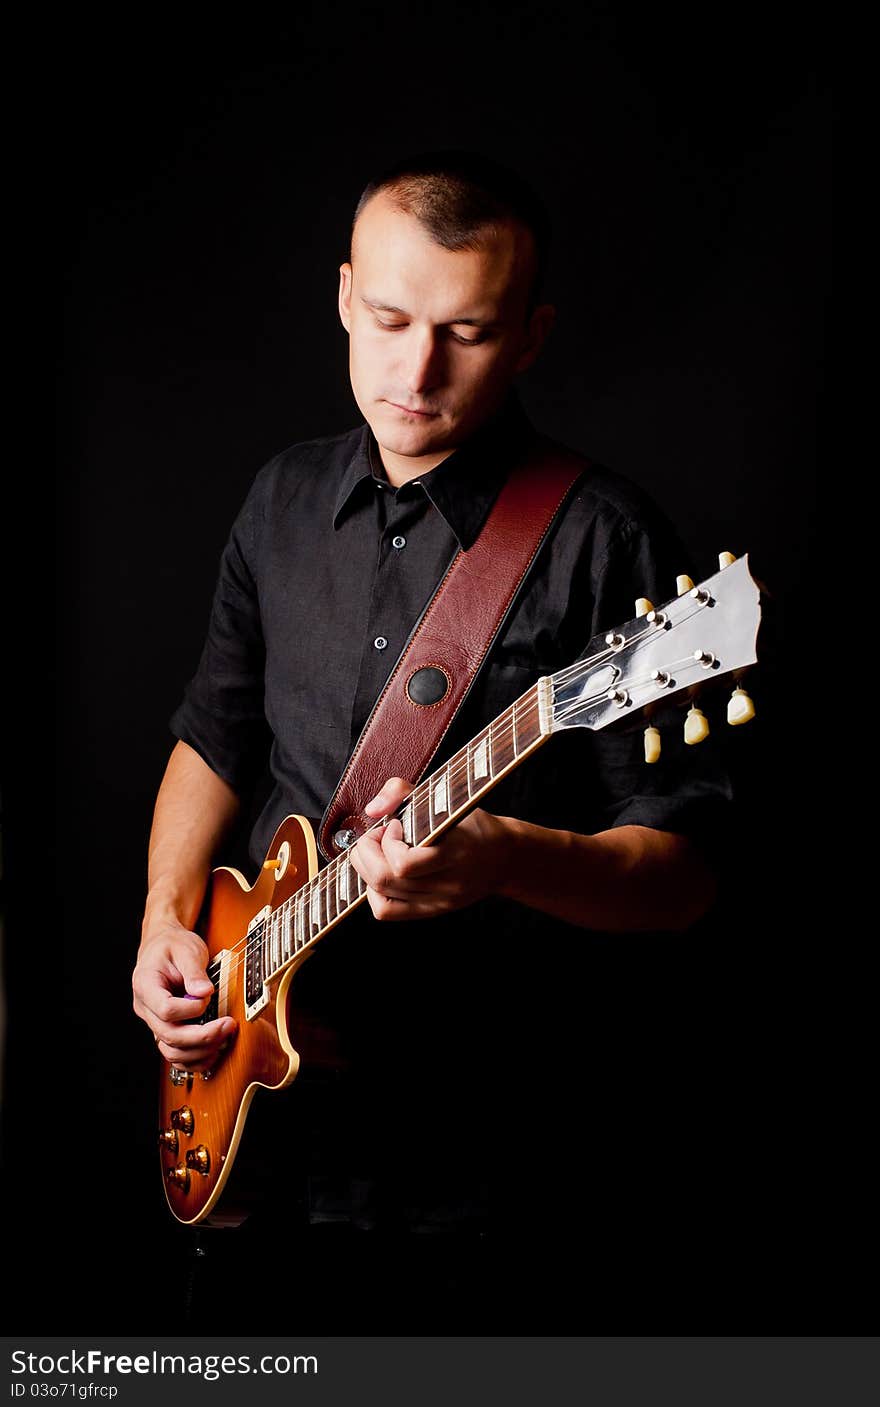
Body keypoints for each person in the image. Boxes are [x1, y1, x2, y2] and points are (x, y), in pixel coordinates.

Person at [132, 148, 736, 1332]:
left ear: (529, 334)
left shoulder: (608, 542)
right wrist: (163, 917)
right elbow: (212, 737)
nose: (415, 370)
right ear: (346, 294)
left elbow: (687, 880)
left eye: (465, 331)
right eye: (393, 318)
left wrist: (507, 857)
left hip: (493, 1175)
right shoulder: (282, 500)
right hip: (267, 1139)